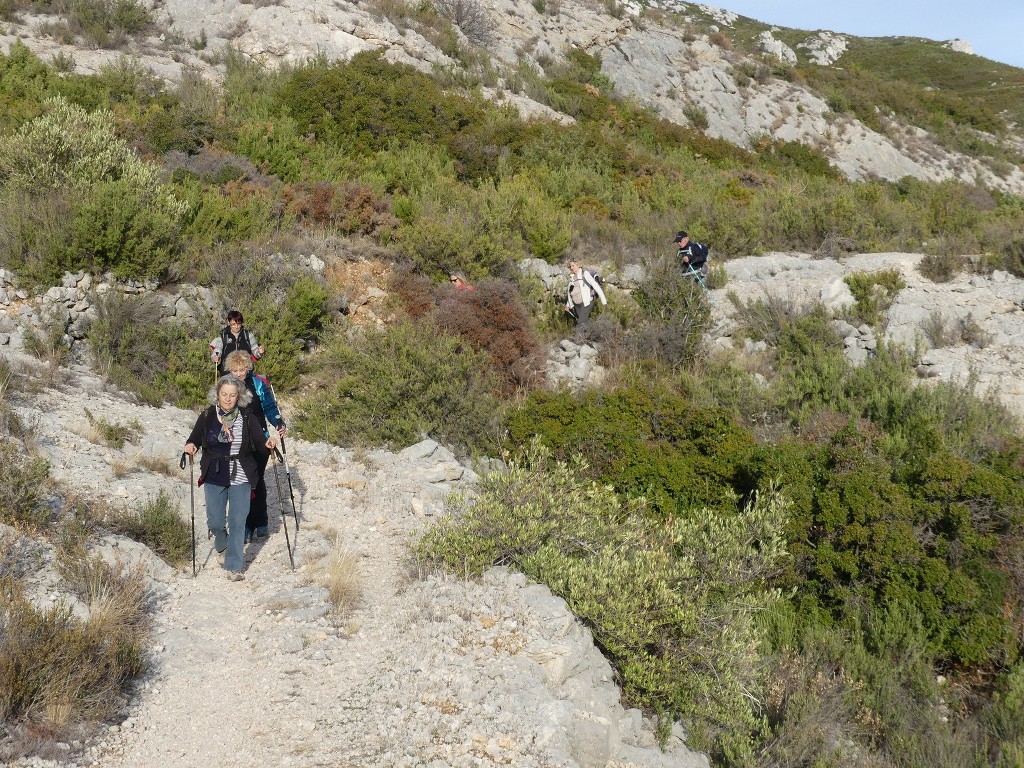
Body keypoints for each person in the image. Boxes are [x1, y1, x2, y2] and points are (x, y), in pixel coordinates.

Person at [183, 375, 276, 581]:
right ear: (217, 394)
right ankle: (221, 542)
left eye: (232, 395)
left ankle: (234, 567)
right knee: (215, 521)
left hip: (241, 473)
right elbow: (195, 437)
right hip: (215, 473)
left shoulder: (247, 416)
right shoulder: (207, 415)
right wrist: (191, 446)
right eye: (224, 394)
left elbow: (260, 441)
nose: (227, 399)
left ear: (239, 396)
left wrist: (268, 444)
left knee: (237, 520)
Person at [223, 350, 286, 543]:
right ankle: (249, 525)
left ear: (248, 368)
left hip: (261, 440)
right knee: (243, 485)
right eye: (235, 370)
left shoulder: (258, 383)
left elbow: (269, 406)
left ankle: (261, 521)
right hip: (236, 442)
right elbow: (219, 409)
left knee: (256, 481)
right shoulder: (227, 386)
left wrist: (279, 423)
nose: (240, 373)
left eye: (242, 369)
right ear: (230, 369)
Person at [210, 311, 265, 376]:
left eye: (239, 324)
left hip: (245, 373)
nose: (236, 327)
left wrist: (260, 352)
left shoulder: (248, 335)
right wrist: (215, 357)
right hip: (227, 373)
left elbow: (255, 352)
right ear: (228, 322)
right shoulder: (223, 336)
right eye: (233, 324)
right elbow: (217, 351)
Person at [564, 260, 607, 339]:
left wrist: (603, 300)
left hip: (587, 301)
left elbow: (596, 286)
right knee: (583, 321)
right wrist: (568, 305)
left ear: (578, 265)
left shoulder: (585, 274)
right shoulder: (572, 278)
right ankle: (591, 337)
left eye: (573, 266)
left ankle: (578, 340)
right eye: (570, 266)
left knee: (580, 322)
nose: (571, 268)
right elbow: (570, 292)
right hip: (576, 304)